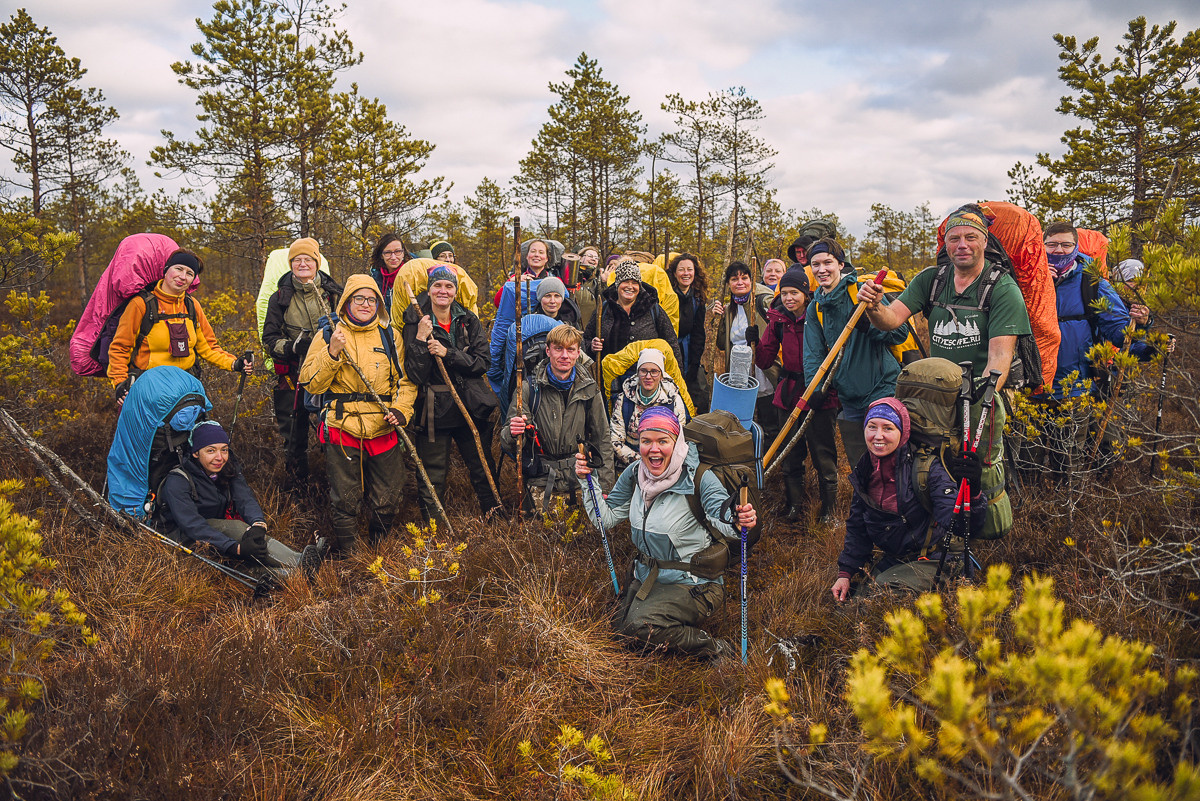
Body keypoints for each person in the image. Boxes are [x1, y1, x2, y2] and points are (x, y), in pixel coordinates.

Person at [858, 209, 1032, 525]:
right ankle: (935, 523)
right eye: (954, 238)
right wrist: (873, 306)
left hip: (978, 394)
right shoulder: (931, 280)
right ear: (946, 244)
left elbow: (999, 361)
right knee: (933, 463)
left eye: (970, 237)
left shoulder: (1002, 288)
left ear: (984, 241)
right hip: (936, 396)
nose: (962, 244)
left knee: (973, 465)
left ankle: (984, 526)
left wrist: (973, 401)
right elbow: (890, 320)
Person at [576, 406, 756, 660]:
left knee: (637, 628)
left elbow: (722, 513)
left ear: (677, 441)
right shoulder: (635, 474)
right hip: (647, 576)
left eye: (663, 441)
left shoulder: (698, 478)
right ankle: (658, 620)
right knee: (616, 629)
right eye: (646, 441)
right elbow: (604, 519)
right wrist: (588, 481)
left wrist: (738, 520)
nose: (654, 449)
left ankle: (714, 648)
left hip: (694, 584)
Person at [299, 275, 411, 553]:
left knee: (389, 493)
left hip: (384, 425)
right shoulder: (328, 334)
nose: (365, 304)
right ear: (347, 301)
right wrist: (332, 353)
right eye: (359, 298)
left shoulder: (390, 335)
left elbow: (406, 381)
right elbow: (311, 382)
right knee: (346, 497)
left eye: (371, 299)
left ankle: (379, 547)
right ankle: (350, 553)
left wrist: (401, 409)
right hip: (342, 425)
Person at [830, 399, 983, 600]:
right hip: (896, 559)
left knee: (877, 597)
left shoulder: (927, 469)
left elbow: (960, 524)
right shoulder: (866, 468)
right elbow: (858, 525)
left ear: (903, 433)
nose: (878, 436)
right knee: (852, 604)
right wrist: (846, 573)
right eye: (872, 426)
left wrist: (974, 493)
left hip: (936, 558)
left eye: (888, 428)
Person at [401, 265, 501, 524]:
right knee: (433, 472)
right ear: (429, 290)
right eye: (437, 286)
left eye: (448, 286)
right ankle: (434, 528)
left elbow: (483, 362)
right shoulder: (415, 321)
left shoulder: (468, 320)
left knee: (482, 465)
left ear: (455, 291)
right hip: (434, 408)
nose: (442, 291)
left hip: (469, 405)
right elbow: (414, 374)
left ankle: (496, 518)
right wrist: (421, 340)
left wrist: (450, 354)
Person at [159, 421, 324, 575]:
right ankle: (298, 562)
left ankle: (292, 575)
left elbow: (244, 497)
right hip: (183, 538)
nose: (220, 457)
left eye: (224, 449)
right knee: (238, 530)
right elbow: (192, 524)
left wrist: (258, 525)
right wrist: (235, 548)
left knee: (249, 542)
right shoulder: (178, 480)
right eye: (211, 450)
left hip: (214, 532)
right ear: (195, 453)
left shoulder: (226, 468)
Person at [803, 240, 907, 467]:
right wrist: (814, 387)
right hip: (849, 400)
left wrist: (870, 324)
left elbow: (899, 333)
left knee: (891, 463)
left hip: (883, 390)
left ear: (841, 264)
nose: (822, 270)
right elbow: (813, 353)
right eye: (815, 264)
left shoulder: (862, 292)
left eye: (828, 262)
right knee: (861, 466)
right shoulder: (816, 307)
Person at [108, 249, 251, 404]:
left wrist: (234, 363)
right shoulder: (141, 305)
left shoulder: (192, 306)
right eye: (179, 269)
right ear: (166, 270)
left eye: (190, 273)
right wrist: (120, 382)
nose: (183, 277)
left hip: (185, 387)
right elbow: (120, 347)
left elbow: (209, 348)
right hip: (149, 389)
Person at [756, 265, 840, 524]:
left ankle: (828, 509)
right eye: (784, 293)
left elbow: (836, 354)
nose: (789, 298)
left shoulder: (820, 314)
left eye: (794, 293)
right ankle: (794, 505)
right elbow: (764, 360)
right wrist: (755, 341)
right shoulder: (777, 320)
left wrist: (823, 388)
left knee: (822, 452)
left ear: (806, 293)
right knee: (790, 454)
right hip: (789, 393)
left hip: (818, 393)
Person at [501, 323, 614, 510]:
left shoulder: (590, 389)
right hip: (540, 481)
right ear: (548, 351)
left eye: (570, 350)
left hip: (580, 479)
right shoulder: (529, 389)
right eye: (558, 349)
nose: (564, 356)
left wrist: (606, 486)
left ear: (578, 353)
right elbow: (507, 443)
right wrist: (513, 433)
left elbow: (603, 438)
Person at [262, 237, 344, 486]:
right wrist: (293, 347)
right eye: (297, 260)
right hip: (293, 374)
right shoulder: (280, 298)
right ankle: (298, 487)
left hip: (332, 372)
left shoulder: (334, 294)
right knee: (293, 435)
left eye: (308, 259)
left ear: (317, 263)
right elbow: (269, 339)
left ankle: (336, 482)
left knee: (334, 428)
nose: (302, 263)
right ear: (290, 264)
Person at [584, 259, 681, 366]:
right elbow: (587, 338)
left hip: (646, 379)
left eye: (634, 283)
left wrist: (677, 377)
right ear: (617, 284)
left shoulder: (652, 308)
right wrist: (592, 347)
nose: (630, 286)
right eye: (625, 282)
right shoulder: (604, 308)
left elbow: (672, 343)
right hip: (610, 378)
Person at [609, 347, 689, 470]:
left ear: (661, 375)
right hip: (630, 466)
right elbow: (615, 441)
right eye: (643, 371)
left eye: (654, 371)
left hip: (665, 464)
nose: (648, 376)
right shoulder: (623, 400)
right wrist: (641, 463)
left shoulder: (673, 400)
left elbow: (679, 440)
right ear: (637, 373)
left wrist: (658, 463)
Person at [668, 252, 709, 415]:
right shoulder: (667, 296)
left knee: (697, 395)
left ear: (695, 272)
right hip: (670, 350)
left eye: (689, 269)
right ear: (674, 273)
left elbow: (699, 333)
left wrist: (694, 362)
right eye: (681, 269)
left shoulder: (698, 298)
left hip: (689, 352)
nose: (686, 273)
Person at [369, 233, 408, 311]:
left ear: (403, 253)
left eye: (397, 251)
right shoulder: (375, 279)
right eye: (388, 253)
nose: (393, 257)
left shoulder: (414, 276)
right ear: (381, 255)